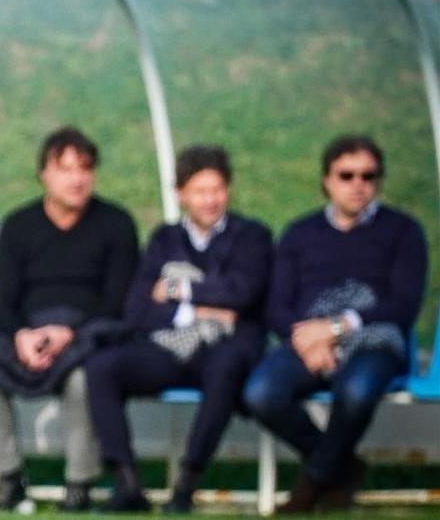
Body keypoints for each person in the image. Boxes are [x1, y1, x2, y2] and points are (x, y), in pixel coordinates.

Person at [243, 134, 428, 513]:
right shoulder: (299, 233)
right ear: (326, 180)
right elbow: (276, 305)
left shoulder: (404, 231)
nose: (358, 185)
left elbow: (404, 305)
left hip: (375, 339)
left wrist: (337, 328)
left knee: (357, 392)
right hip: (306, 341)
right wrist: (309, 339)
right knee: (260, 394)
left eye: (368, 176)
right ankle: (342, 466)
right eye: (347, 175)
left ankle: (314, 482)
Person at [84, 145, 272, 513]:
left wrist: (176, 290)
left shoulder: (252, 236)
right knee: (102, 367)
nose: (210, 200)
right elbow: (138, 309)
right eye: (200, 191)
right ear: (181, 194)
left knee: (226, 366)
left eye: (217, 190)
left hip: (228, 347)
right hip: (171, 346)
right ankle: (126, 482)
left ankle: (186, 483)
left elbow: (242, 293)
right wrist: (198, 312)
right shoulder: (164, 240)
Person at [0, 126, 139, 513]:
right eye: (65, 169)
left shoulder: (117, 224)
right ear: (44, 174)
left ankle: (79, 483)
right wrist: (22, 336)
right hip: (29, 327)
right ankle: (10, 479)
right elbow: (5, 301)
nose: (76, 179)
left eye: (85, 169)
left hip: (90, 329)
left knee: (83, 377)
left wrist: (66, 333)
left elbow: (117, 301)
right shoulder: (18, 225)